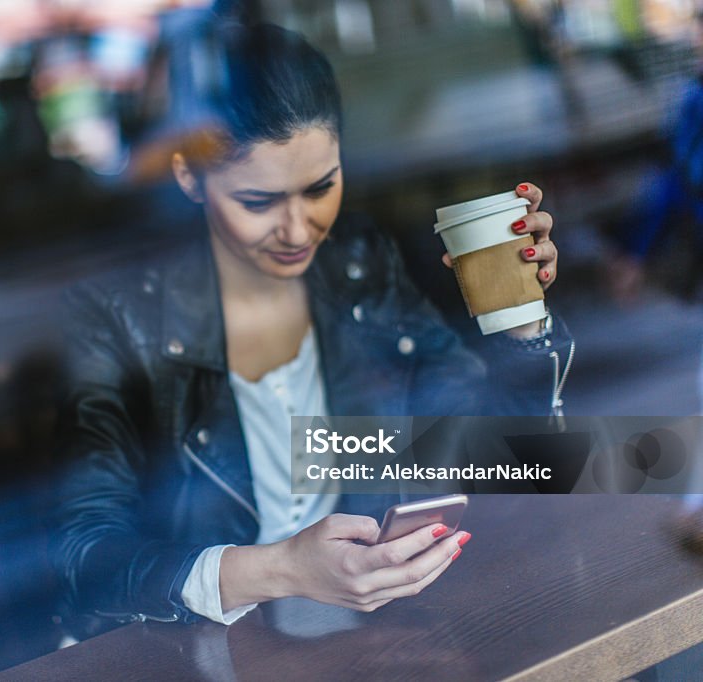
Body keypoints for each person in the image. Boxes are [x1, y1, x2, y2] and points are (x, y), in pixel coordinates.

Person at [51, 21, 574, 639]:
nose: (299, 230)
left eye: (321, 187)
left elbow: (495, 456)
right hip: (204, 657)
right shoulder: (117, 317)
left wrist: (520, 320)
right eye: (257, 201)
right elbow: (83, 555)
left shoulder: (356, 263)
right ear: (191, 178)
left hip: (370, 642)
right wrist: (280, 570)